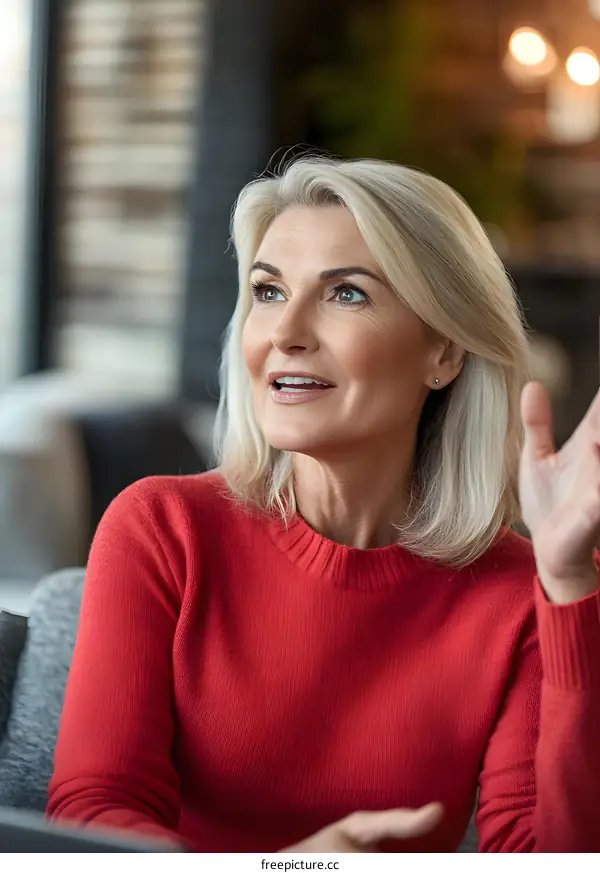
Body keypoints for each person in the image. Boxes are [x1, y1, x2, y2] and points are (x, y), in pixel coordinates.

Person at [47, 157, 600, 853]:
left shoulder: (524, 593)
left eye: (346, 294)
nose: (286, 332)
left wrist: (570, 583)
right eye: (269, 291)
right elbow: (93, 812)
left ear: (445, 352)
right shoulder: (162, 529)